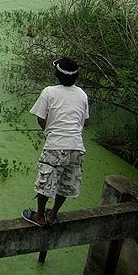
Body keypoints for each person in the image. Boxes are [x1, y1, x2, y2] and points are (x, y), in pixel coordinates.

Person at [22, 57, 89, 227]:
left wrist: (49, 131)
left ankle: (39, 216)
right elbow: (85, 122)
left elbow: (40, 117)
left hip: (56, 144)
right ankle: (52, 215)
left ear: (57, 74)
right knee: (66, 182)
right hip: (76, 146)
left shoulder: (49, 92)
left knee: (45, 181)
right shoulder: (82, 94)